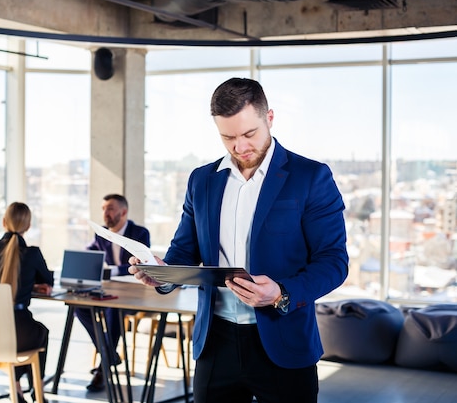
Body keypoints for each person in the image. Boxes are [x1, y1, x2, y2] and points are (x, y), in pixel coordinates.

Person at [128, 78, 349, 403]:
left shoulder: (311, 177)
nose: (240, 147)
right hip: (215, 342)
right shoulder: (201, 181)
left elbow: (333, 261)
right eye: (228, 137)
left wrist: (281, 292)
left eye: (249, 134)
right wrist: (161, 274)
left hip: (283, 341)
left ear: (269, 118)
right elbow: (184, 252)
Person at [75, 193, 151, 392]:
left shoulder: (140, 233)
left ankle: (103, 368)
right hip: (113, 291)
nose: (105, 213)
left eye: (109, 208)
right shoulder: (102, 234)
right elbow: (89, 254)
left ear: (123, 212)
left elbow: (141, 264)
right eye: (103, 209)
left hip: (136, 295)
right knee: (78, 307)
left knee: (113, 309)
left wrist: (111, 270)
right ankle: (109, 353)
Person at [0, 202, 53, 403]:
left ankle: (17, 388)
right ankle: (36, 390)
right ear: (28, 226)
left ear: (4, 222)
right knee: (40, 333)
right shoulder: (32, 253)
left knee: (24, 337)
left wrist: (27, 285)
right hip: (18, 328)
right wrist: (31, 284)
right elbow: (47, 280)